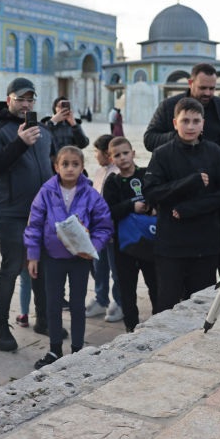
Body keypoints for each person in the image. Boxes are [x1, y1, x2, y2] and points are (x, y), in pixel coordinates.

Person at [145, 63, 220, 278]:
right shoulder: (169, 106)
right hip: (181, 193)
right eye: (203, 88)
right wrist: (183, 133)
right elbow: (149, 139)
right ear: (191, 83)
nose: (207, 93)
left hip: (216, 195)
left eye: (212, 88)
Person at [0, 77, 55, 351]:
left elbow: (56, 167)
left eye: (30, 99)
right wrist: (20, 143)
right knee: (11, 268)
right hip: (12, 212)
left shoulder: (44, 131)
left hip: (43, 213)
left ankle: (44, 319)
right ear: (9, 99)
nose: (25, 104)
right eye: (20, 99)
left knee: (42, 269)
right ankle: (1, 327)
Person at [25, 146, 113, 369]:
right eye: (65, 164)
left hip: (79, 259)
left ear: (82, 167)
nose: (70, 168)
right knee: (53, 304)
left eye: (75, 164)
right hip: (53, 258)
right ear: (56, 167)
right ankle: (55, 349)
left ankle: (77, 349)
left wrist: (92, 247)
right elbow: (34, 224)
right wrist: (33, 255)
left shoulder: (91, 194)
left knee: (76, 304)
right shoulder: (46, 191)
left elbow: (104, 225)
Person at [144, 97, 220, 312]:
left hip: (205, 244)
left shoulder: (214, 152)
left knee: (200, 306)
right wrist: (188, 183)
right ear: (175, 123)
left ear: (203, 123)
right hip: (171, 246)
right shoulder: (162, 154)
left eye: (196, 121)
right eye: (185, 121)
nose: (191, 126)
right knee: (166, 305)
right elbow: (151, 193)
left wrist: (190, 209)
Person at [103, 136, 158, 332]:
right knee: (127, 288)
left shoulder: (146, 175)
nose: (123, 158)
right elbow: (108, 211)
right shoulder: (112, 183)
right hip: (124, 244)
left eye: (126, 153)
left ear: (133, 153)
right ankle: (131, 327)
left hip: (148, 240)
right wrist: (131, 206)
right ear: (111, 159)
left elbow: (157, 195)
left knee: (155, 283)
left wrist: (152, 207)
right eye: (117, 155)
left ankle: (159, 321)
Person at [85, 134, 122, 322]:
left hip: (113, 230)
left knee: (115, 267)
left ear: (107, 153)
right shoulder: (100, 172)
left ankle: (119, 301)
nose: (94, 155)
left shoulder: (117, 173)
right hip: (97, 230)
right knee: (99, 266)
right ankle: (101, 298)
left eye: (96, 151)